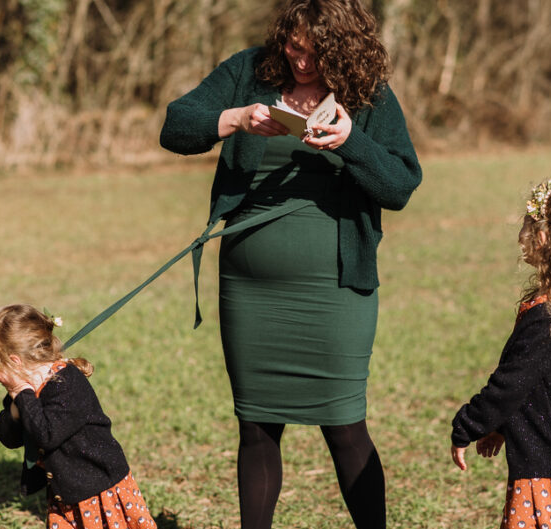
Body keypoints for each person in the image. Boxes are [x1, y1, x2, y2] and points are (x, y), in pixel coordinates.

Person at [160, 0, 422, 527]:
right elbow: (175, 126)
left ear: (343, 50)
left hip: (336, 290)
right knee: (256, 427)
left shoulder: (368, 93)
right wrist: (234, 118)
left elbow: (400, 185)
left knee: (345, 427)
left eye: (314, 52)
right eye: (294, 46)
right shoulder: (250, 71)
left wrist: (352, 143)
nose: (300, 61)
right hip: (248, 288)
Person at [450, 177, 551, 529]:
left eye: (526, 225)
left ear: (542, 238)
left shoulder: (546, 317)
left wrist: (468, 426)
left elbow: (508, 386)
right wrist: (501, 426)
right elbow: (540, 389)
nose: (520, 234)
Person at [0, 304, 157, 529]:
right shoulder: (23, 388)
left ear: (15, 361)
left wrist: (22, 395)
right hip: (66, 490)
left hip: (98, 487)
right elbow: (8, 438)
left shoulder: (67, 385)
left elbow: (46, 434)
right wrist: (15, 411)